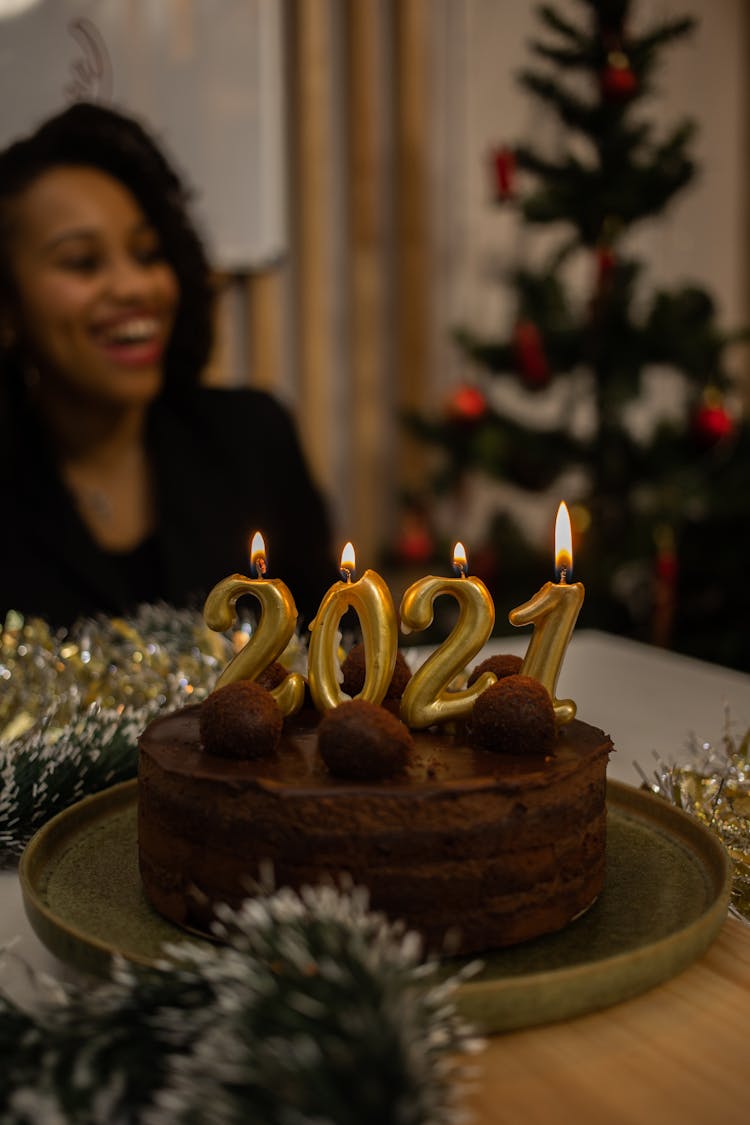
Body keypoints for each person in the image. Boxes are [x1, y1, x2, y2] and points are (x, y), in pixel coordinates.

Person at [0, 101, 336, 629]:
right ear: (8, 308)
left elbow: (333, 654)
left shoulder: (253, 439)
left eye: (149, 253)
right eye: (83, 262)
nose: (135, 287)